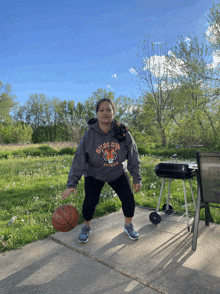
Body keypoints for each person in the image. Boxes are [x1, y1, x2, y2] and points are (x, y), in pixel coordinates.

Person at [60, 98, 142, 243]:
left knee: (128, 198)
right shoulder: (89, 135)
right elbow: (79, 159)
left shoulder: (122, 132)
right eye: (102, 110)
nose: (105, 113)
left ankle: (128, 225)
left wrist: (136, 177)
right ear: (97, 113)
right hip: (94, 173)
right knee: (90, 202)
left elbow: (133, 154)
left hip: (117, 171)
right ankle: (86, 227)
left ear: (113, 112)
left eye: (108, 109)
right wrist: (72, 184)